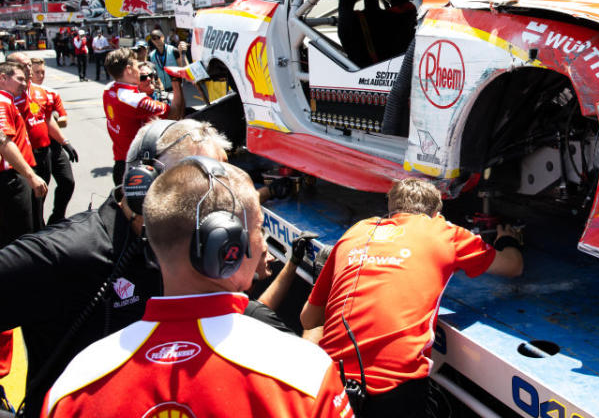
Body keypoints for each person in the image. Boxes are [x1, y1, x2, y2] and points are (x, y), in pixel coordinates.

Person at [0, 118, 297, 418]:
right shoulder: (66, 253)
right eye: (204, 187)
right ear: (143, 184)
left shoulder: (199, 249)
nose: (222, 203)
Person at [41, 157, 353, 418]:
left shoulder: (75, 383)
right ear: (226, 247)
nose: (262, 246)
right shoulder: (303, 373)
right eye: (258, 228)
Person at [301, 178, 524, 417]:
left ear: (390, 208)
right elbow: (513, 266)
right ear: (436, 213)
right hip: (396, 387)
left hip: (331, 384)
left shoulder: (356, 232)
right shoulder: (444, 232)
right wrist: (509, 240)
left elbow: (308, 319)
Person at [6, 53, 78, 231]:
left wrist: (64, 141)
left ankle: (55, 220)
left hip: (46, 149)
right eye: (23, 66)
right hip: (24, 156)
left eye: (29, 65)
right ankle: (38, 231)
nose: (28, 69)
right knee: (34, 199)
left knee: (64, 183)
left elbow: (47, 119)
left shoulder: (41, 92)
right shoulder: (8, 97)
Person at [103, 48, 185, 185]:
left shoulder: (109, 88)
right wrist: (176, 81)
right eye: (136, 66)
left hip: (121, 162)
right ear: (128, 69)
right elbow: (175, 114)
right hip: (138, 168)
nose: (138, 68)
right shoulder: (135, 101)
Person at [0, 62, 46, 247]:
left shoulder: (8, 100)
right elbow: (3, 141)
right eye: (19, 79)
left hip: (14, 176)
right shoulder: (2, 102)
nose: (24, 83)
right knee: (21, 237)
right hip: (11, 177)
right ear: (3, 78)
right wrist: (30, 175)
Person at [30, 58, 76, 225]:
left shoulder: (50, 93)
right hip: (36, 148)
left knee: (67, 182)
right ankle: (37, 225)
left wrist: (65, 141)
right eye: (37, 72)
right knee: (40, 190)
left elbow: (61, 117)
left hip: (54, 144)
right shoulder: (22, 95)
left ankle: (57, 217)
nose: (40, 75)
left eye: (43, 72)